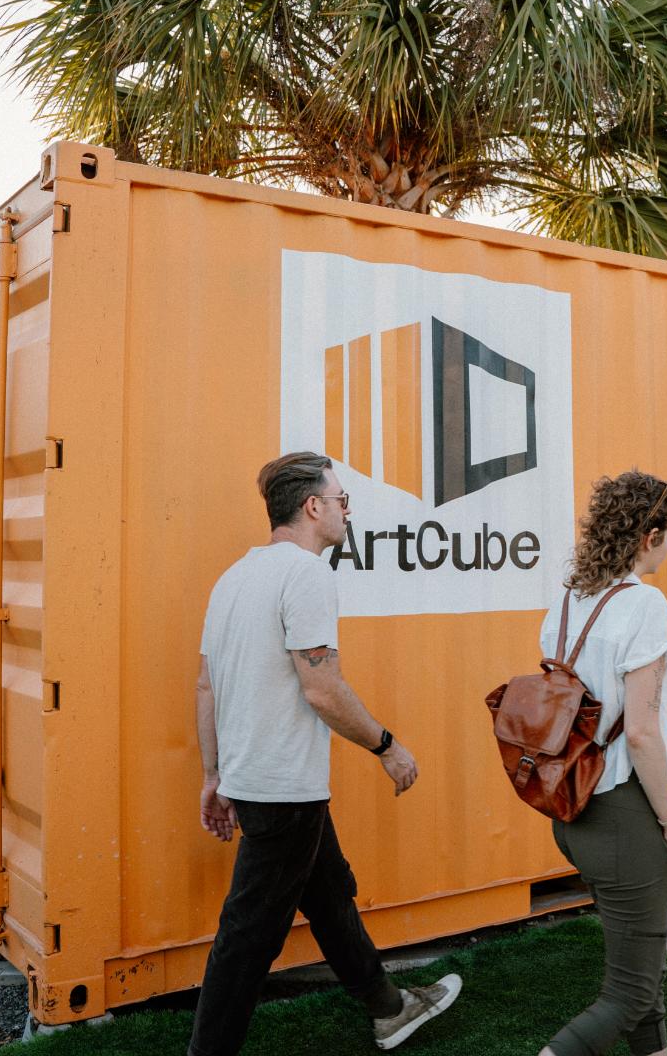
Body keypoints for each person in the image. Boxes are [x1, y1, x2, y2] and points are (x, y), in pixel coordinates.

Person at [190, 452, 461, 1056]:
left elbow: (207, 686)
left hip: (263, 780)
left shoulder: (234, 577)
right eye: (342, 501)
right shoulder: (307, 575)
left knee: (329, 893)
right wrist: (386, 746)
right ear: (313, 507)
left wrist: (214, 774)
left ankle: (389, 1009)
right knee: (247, 938)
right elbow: (322, 688)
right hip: (283, 788)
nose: (346, 512)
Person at [539, 472, 667, 1056]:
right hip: (625, 814)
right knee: (627, 992)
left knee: (642, 977)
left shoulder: (568, 603)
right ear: (650, 535)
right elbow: (644, 734)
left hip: (573, 813)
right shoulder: (644, 606)